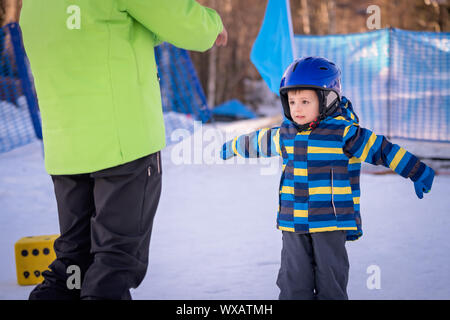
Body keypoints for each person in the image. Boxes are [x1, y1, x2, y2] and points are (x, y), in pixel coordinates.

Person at [12, 0, 227, 300]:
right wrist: (212, 25)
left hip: (67, 149)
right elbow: (180, 20)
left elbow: (108, 28)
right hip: (123, 144)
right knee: (115, 261)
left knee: (75, 260)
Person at [221, 56, 435, 300]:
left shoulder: (343, 132)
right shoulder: (286, 133)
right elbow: (260, 141)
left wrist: (416, 170)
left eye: (305, 101)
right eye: (292, 102)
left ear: (327, 100)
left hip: (330, 223)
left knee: (330, 283)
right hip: (293, 223)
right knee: (293, 282)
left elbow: (382, 150)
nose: (297, 109)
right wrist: (236, 145)